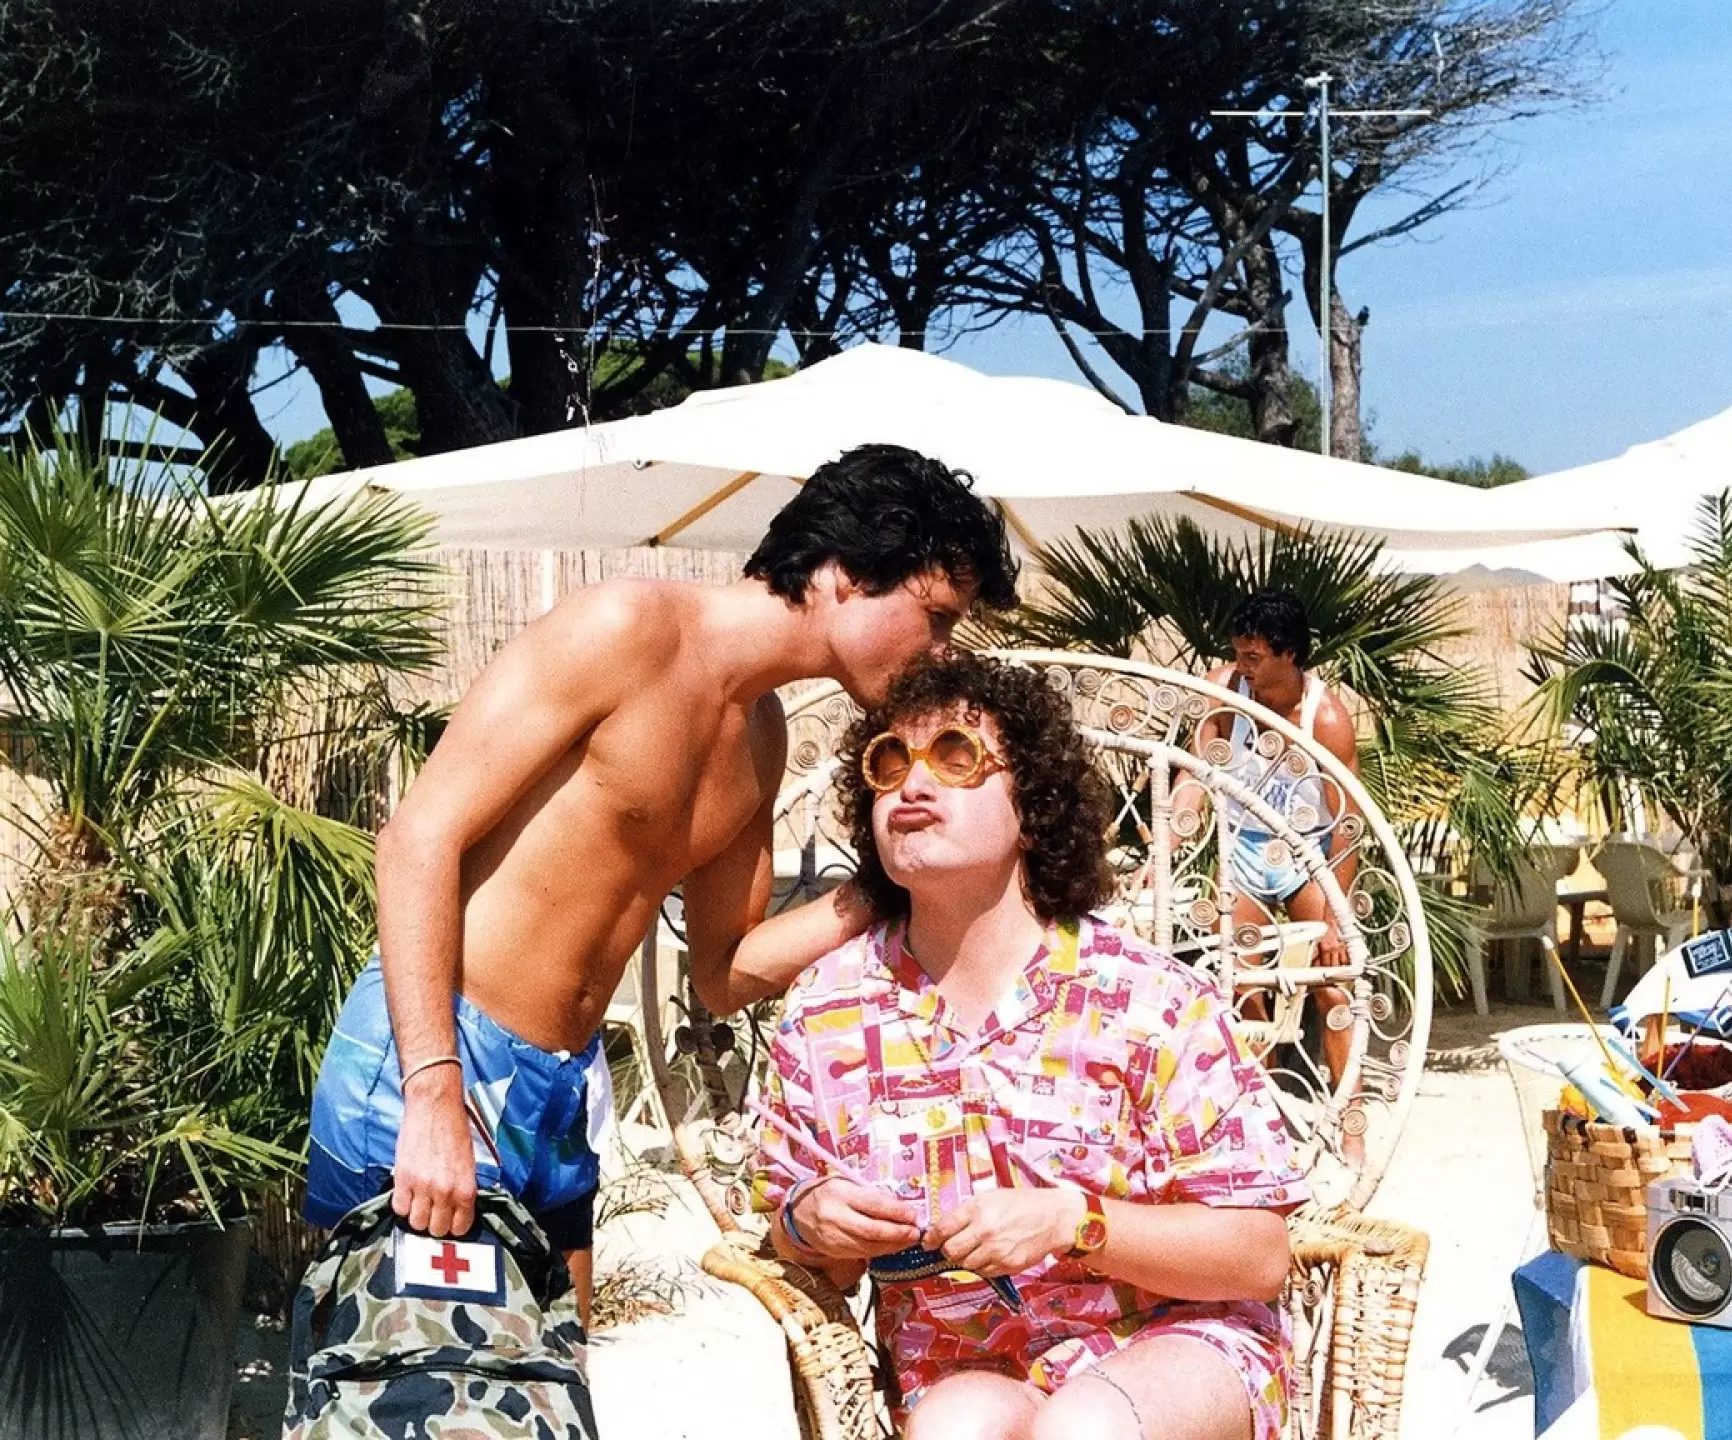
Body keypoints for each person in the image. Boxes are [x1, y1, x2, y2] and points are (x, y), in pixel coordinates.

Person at [302, 444, 1018, 1318]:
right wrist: (433, 1091)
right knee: (408, 1394)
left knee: (546, 1398)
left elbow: (723, 973)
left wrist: (887, 888)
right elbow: (417, 839)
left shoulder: (760, 738)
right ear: (844, 573)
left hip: (562, 1086)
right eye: (937, 615)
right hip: (441, 1053)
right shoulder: (624, 627)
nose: (942, 651)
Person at [754, 655, 1308, 1440]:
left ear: (1034, 806)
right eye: (889, 762)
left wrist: (1075, 1223)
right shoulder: (827, 1011)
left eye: (955, 756)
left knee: (1086, 1428)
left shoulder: (1149, 1000)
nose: (912, 786)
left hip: (1176, 1342)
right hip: (961, 1364)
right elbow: (803, 1247)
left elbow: (1260, 1253)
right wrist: (811, 1221)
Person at [1171, 589, 1363, 1163]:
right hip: (1244, 853)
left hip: (1307, 857)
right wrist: (1170, 841)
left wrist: (1334, 916)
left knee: (1335, 984)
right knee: (1242, 987)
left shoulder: (1325, 717)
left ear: (1289, 655)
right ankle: (1265, 1119)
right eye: (1240, 653)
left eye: (1255, 657)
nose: (1244, 666)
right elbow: (1195, 773)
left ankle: (1350, 1120)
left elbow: (1348, 823)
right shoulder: (1226, 688)